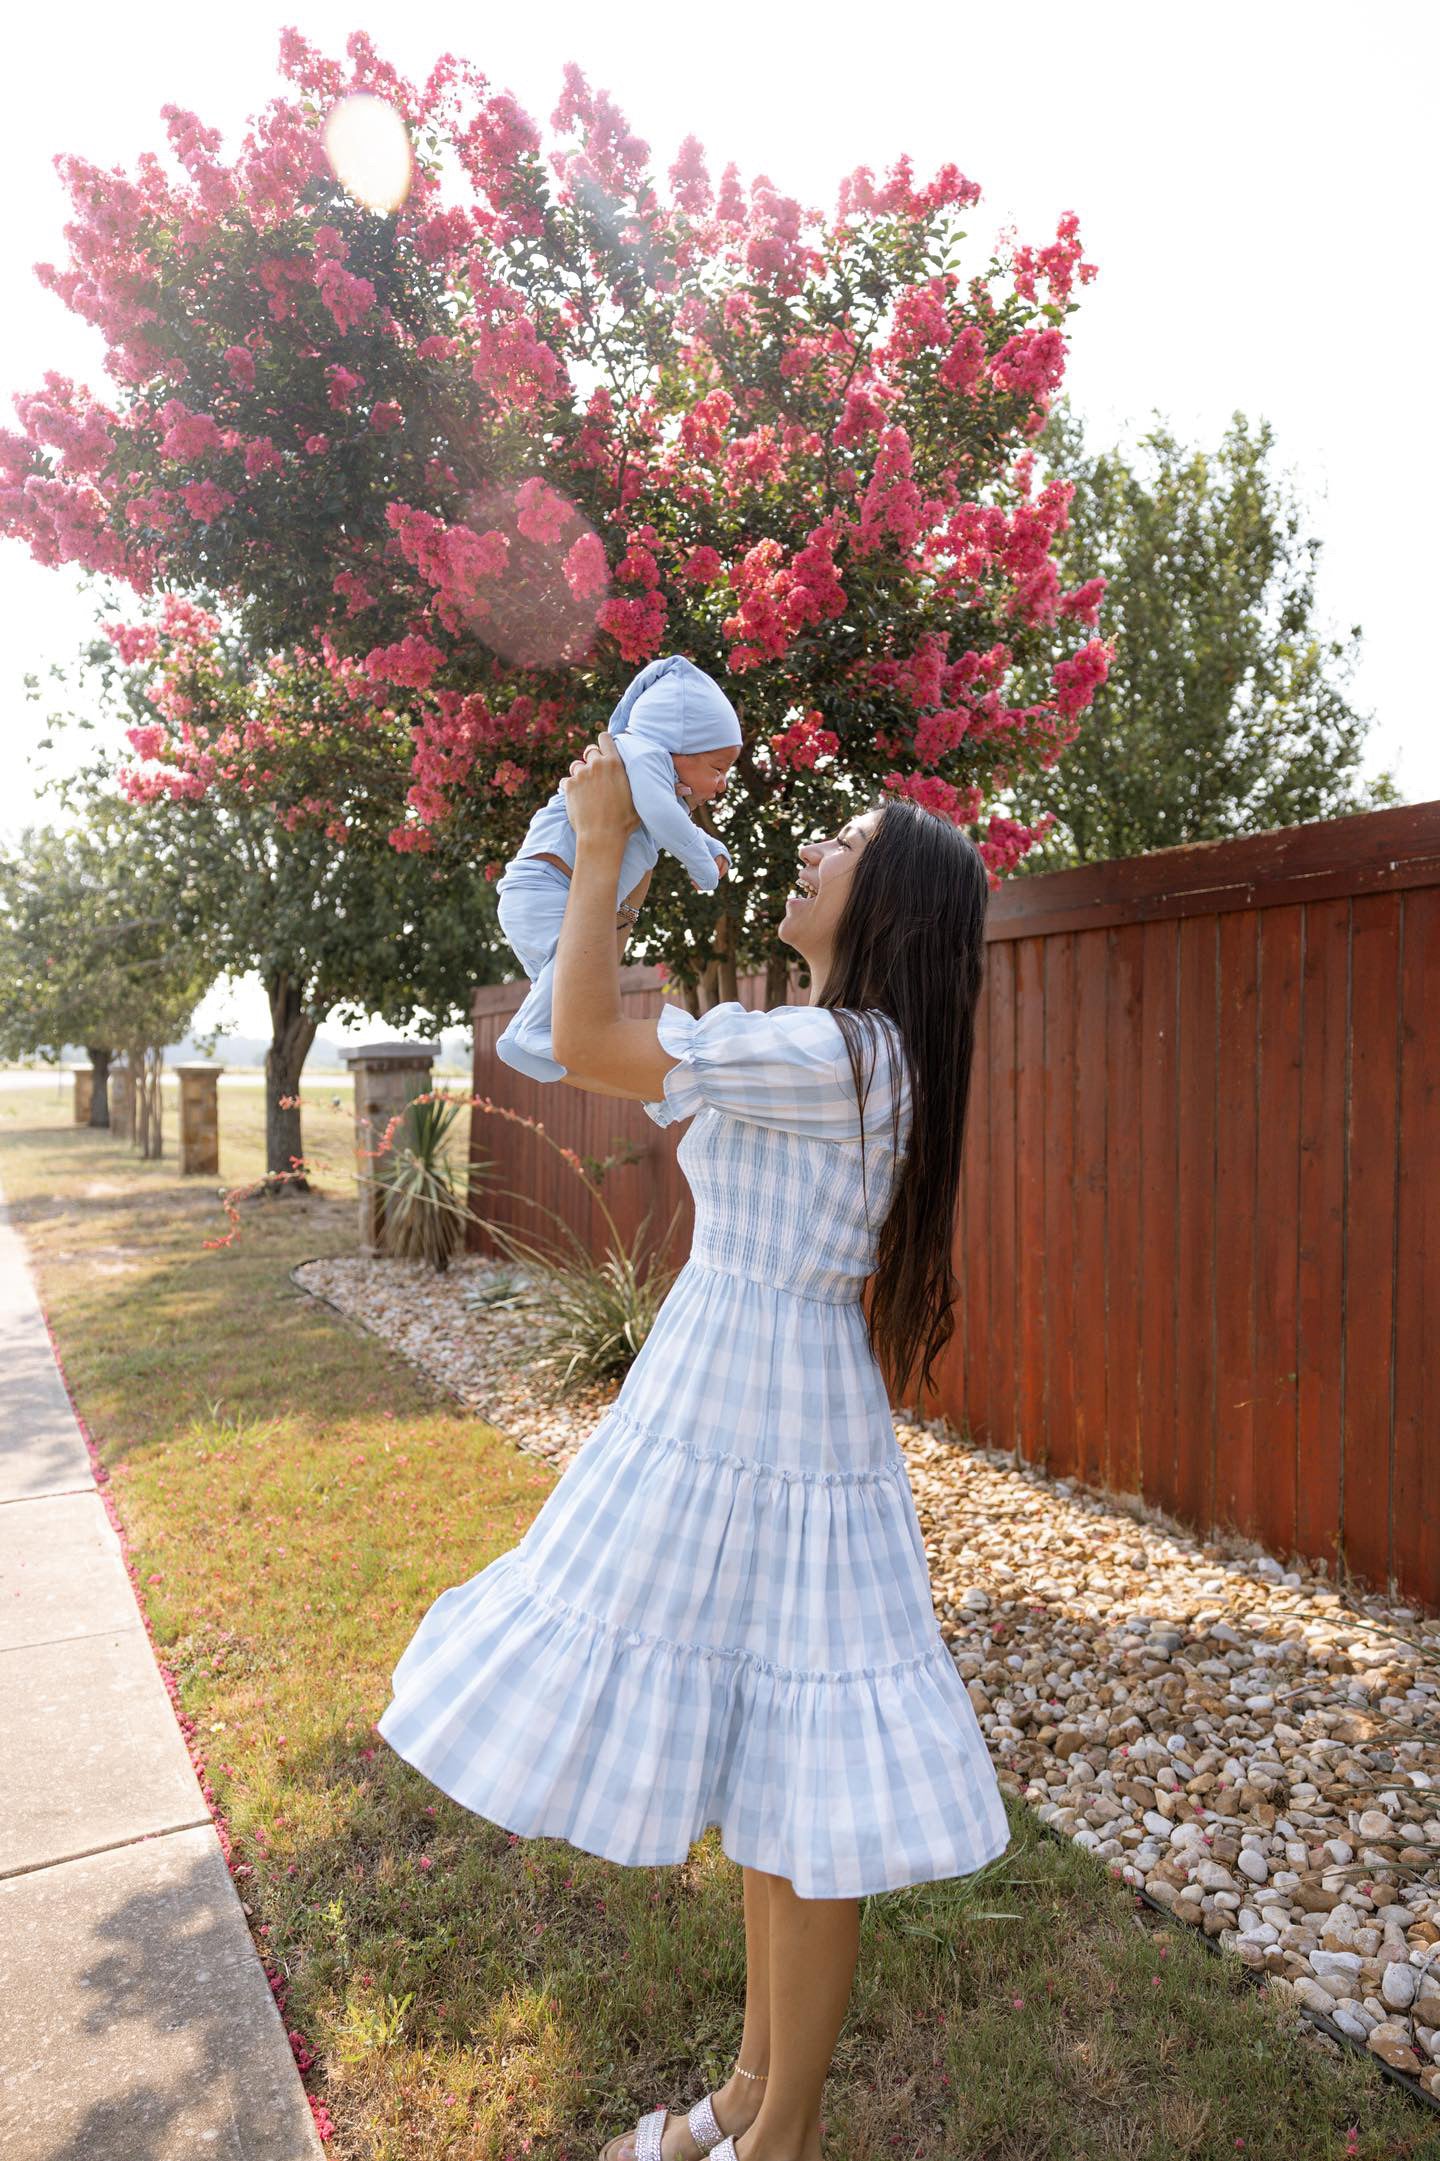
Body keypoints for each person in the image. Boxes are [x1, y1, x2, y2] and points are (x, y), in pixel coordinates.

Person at [376, 731, 1012, 2161]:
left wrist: (604, 845)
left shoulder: (836, 1052)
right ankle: (745, 2098)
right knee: (776, 1768)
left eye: (842, 841)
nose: (813, 851)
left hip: (764, 1406)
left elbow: (596, 1044)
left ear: (889, 900)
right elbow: (597, 1034)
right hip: (748, 1389)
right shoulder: (832, 1047)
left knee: (806, 1790)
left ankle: (778, 2137)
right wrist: (590, 874)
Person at [493, 654, 741, 1083]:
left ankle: (541, 1027)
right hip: (543, 888)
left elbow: (671, 821)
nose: (721, 785)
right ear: (676, 747)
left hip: (556, 894)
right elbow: (665, 820)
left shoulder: (651, 774)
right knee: (576, 970)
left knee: (578, 974)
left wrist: (711, 846)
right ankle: (532, 1031)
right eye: (718, 769)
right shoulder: (642, 757)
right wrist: (702, 866)